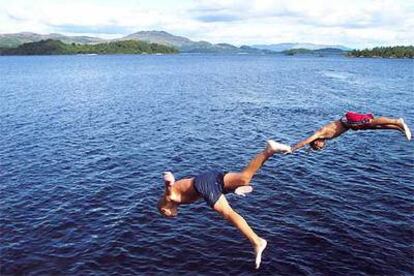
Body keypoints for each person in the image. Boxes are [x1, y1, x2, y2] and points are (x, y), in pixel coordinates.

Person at [158, 140, 292, 269]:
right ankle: (269, 150)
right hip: (209, 178)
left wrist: (168, 179)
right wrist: (227, 190)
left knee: (228, 213)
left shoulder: (168, 199)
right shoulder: (179, 200)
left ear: (165, 210)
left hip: (203, 185)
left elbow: (168, 188)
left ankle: (257, 242)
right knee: (244, 178)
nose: (172, 217)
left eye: (168, 216)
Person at [292, 111, 411, 151]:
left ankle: (397, 121)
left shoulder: (319, 133)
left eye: (319, 147)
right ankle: (399, 128)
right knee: (374, 127)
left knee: (371, 122)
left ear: (316, 142)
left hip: (348, 120)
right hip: (351, 125)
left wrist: (292, 148)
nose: (322, 147)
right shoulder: (324, 137)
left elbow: (304, 142)